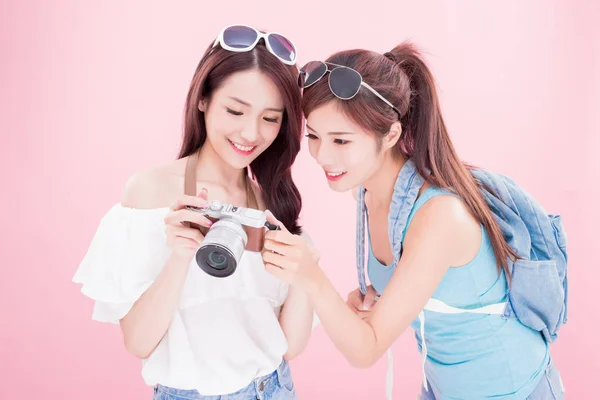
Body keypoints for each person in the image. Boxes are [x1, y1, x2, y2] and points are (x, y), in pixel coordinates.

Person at [260, 42, 566, 399]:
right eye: (313, 136)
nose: (322, 155)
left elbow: (366, 350)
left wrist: (311, 278)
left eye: (341, 140)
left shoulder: (439, 216)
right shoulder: (367, 188)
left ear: (390, 135)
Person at [73, 24, 314, 400]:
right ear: (203, 99)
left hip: (274, 388)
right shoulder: (151, 192)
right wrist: (180, 257)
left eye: (271, 118)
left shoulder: (270, 204)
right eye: (235, 110)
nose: (251, 133)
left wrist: (306, 268)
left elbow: (289, 346)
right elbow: (137, 342)